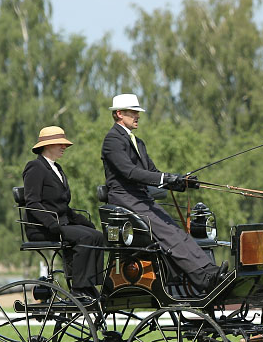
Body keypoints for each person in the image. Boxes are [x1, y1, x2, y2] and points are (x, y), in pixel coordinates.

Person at [101, 93, 225, 292]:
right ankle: (203, 279)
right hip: (125, 199)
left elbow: (152, 173)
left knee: (177, 232)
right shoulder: (113, 140)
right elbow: (129, 172)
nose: (137, 116)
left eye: (137, 112)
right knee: (168, 233)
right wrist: (164, 179)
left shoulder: (138, 142)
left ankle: (211, 271)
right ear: (118, 114)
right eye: (132, 112)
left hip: (141, 199)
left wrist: (178, 182)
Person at [23, 126, 105, 299]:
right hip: (42, 227)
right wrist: (52, 224)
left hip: (61, 223)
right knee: (86, 238)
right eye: (60, 144)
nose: (64, 147)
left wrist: (83, 221)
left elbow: (62, 206)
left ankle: (89, 285)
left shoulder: (57, 169)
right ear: (47, 145)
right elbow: (32, 202)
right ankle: (79, 288)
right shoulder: (35, 167)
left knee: (97, 235)